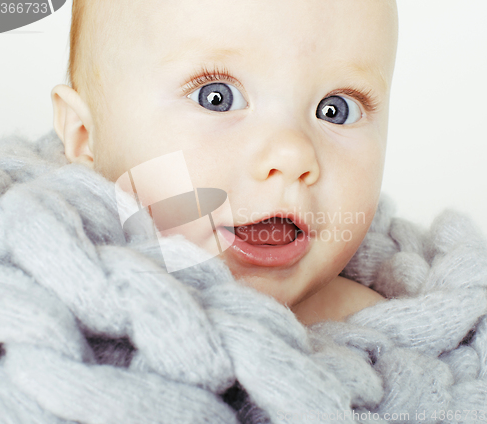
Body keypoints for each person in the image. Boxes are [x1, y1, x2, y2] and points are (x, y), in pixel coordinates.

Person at [50, 0, 398, 326]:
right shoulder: (43, 308)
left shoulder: (382, 331)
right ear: (84, 136)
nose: (293, 155)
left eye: (335, 110)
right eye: (216, 98)